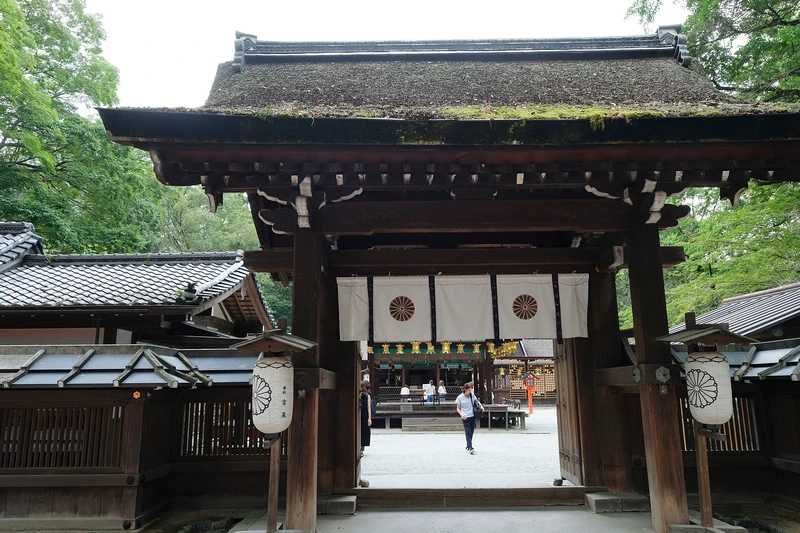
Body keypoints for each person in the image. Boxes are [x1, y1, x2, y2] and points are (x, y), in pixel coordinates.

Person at [455, 382, 483, 454]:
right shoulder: (460, 397)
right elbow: (458, 408)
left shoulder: (471, 395)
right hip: (465, 417)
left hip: (472, 416)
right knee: (468, 432)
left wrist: (481, 406)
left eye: (470, 390)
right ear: (465, 389)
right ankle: (471, 447)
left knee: (471, 432)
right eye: (469, 390)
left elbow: (477, 401)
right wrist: (462, 415)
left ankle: (468, 445)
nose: (469, 392)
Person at [359, 381, 372, 457]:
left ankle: (361, 449)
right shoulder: (359, 395)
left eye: (362, 386)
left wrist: (369, 418)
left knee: (364, 431)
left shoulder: (368, 396)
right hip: (359, 413)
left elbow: (369, 407)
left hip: (365, 414)